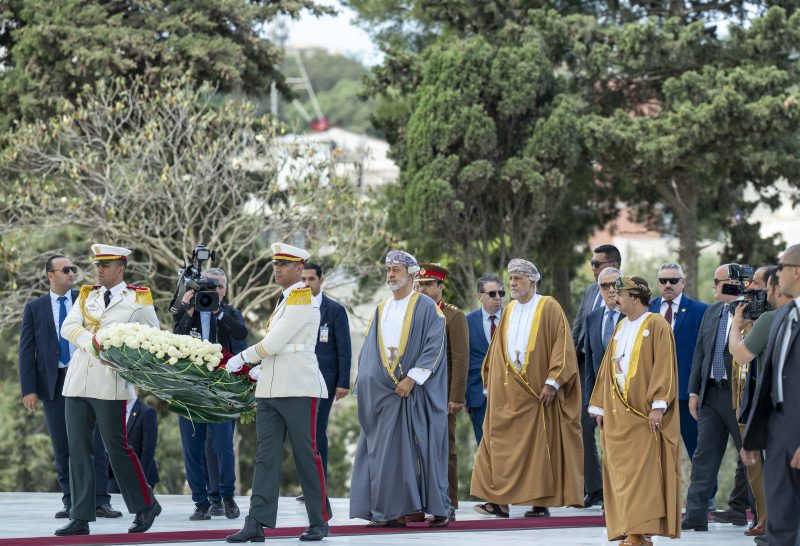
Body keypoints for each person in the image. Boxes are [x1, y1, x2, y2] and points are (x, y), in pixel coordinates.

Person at [225, 243, 331, 543]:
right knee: (265, 456)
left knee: (305, 455)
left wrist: (242, 359)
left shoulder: (300, 299)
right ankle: (256, 521)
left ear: (299, 269)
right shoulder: (284, 300)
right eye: (275, 264)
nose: (277, 269)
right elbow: (278, 346)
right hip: (271, 387)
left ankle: (319, 521)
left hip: (298, 386)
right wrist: (260, 371)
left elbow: (273, 343)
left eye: (283, 265)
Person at [56, 244, 161, 536]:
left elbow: (154, 336)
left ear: (121, 268)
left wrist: (136, 366)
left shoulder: (138, 298)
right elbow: (68, 327)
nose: (99, 269)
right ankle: (80, 516)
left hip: (111, 381)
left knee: (117, 449)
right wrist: (92, 342)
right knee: (77, 449)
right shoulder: (88, 295)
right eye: (97, 264)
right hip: (78, 381)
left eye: (106, 264)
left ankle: (145, 505)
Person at [471, 259, 584, 518]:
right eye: (511, 278)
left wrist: (553, 382)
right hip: (509, 394)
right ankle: (498, 501)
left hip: (537, 395)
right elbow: (497, 351)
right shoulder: (509, 310)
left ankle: (539, 503)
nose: (512, 282)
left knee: (537, 450)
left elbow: (563, 346)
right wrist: (490, 380)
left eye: (518, 278)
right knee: (494, 441)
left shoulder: (549, 306)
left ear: (532, 281)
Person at [349, 250, 451, 528]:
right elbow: (370, 351)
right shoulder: (382, 308)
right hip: (384, 395)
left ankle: (420, 508)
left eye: (395, 269)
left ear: (411, 273)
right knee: (383, 454)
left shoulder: (426, 307)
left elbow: (434, 347)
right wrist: (365, 383)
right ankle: (388, 510)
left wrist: (412, 379)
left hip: (414, 393)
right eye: (389, 270)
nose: (390, 275)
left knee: (417, 451)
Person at [18, 255, 121, 520]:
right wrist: (28, 389)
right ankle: (71, 501)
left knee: (96, 442)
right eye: (65, 270)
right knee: (62, 444)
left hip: (88, 377)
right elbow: (26, 351)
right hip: (54, 383)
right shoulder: (34, 308)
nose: (71, 273)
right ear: (50, 275)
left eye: (72, 269)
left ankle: (100, 501)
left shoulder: (88, 300)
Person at [589, 276, 681, 546]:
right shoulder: (620, 328)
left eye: (621, 294)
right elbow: (608, 369)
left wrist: (658, 406)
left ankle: (640, 532)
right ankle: (630, 529)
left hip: (643, 417)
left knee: (642, 476)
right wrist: (600, 407)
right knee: (621, 475)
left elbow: (664, 366)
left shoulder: (656, 325)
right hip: (618, 417)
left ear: (636, 297)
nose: (615, 299)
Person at [173, 267, 248, 521]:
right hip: (190, 390)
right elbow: (174, 341)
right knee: (192, 447)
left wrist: (217, 311)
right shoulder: (190, 313)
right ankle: (201, 502)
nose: (216, 291)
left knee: (223, 445)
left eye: (220, 286)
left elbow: (241, 335)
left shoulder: (231, 313)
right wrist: (187, 310)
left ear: (226, 289)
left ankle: (227, 497)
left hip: (221, 391)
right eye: (210, 286)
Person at [682, 264, 751, 532]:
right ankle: (696, 516)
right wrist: (694, 392)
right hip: (711, 395)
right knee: (703, 457)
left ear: (733, 283)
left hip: (739, 397)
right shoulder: (712, 312)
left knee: (748, 456)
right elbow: (699, 353)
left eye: (717, 281)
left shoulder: (751, 312)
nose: (713, 286)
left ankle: (758, 515)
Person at [741, 244, 800, 546]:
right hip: (777, 435)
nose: (777, 275)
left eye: (781, 268)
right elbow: (768, 382)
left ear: (797, 273)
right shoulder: (780, 318)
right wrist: (753, 438)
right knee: (779, 523)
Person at [730, 267, 793, 538]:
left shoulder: (771, 318)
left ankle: (774, 527)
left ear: (776, 289)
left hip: (777, 410)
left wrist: (736, 327)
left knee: (776, 476)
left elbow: (741, 356)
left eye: (762, 287)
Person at [414, 263, 469, 519]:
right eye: (419, 284)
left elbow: (460, 359)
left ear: (440, 287)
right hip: (414, 391)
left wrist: (456, 396)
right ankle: (417, 504)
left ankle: (447, 504)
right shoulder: (410, 313)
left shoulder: (453, 316)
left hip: (442, 393)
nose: (422, 289)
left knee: (444, 449)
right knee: (414, 447)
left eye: (427, 284)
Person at [572, 244, 621, 508]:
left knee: (616, 439)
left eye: (596, 263)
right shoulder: (592, 291)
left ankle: (617, 493)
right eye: (591, 263)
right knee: (584, 427)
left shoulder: (629, 296)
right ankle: (596, 489)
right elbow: (579, 327)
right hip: (589, 372)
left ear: (613, 265)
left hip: (622, 382)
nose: (592, 268)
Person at [648, 263, 708, 461]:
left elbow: (704, 353)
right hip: (653, 396)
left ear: (683, 282)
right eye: (663, 280)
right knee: (655, 454)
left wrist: (697, 390)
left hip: (686, 396)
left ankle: (706, 493)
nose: (668, 284)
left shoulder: (701, 311)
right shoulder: (648, 309)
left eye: (673, 280)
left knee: (698, 452)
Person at [301, 262, 352, 480]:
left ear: (321, 281)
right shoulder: (294, 307)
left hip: (326, 380)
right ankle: (307, 483)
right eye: (303, 279)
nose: (306, 283)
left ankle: (318, 483)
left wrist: (343, 382)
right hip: (299, 378)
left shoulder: (335, 310)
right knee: (303, 432)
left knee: (317, 428)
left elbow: (344, 348)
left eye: (311, 279)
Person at [582, 267, 624, 508]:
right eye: (605, 286)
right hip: (603, 399)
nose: (610, 290)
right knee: (608, 450)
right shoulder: (593, 318)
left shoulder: (633, 317)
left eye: (614, 285)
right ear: (599, 289)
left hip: (629, 398)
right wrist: (591, 401)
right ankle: (611, 500)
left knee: (625, 452)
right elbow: (589, 365)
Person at [465, 274, 504, 444]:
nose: (497, 298)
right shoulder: (467, 321)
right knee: (484, 449)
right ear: (480, 296)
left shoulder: (512, 318)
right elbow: (462, 360)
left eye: (501, 293)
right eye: (492, 294)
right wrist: (464, 396)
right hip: (478, 396)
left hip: (508, 395)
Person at [110, 392, 159, 493]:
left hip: (139, 475)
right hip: (114, 476)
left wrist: (140, 480)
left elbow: (148, 451)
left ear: (135, 389)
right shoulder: (113, 412)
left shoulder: (147, 412)